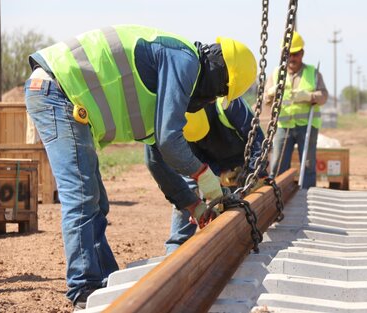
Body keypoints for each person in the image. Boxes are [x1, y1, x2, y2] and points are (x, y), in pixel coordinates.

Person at [24, 24, 256, 310]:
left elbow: (157, 159)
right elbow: (171, 142)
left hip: (62, 93)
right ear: (219, 71)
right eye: (219, 91)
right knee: (82, 196)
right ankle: (84, 289)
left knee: (96, 201)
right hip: (57, 89)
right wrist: (204, 175)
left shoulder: (165, 85)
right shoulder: (185, 61)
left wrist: (194, 205)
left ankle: (104, 282)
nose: (211, 101)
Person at [145, 96, 268, 254]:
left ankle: (234, 248)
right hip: (206, 165)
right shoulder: (180, 121)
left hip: (241, 162)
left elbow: (257, 138)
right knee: (189, 192)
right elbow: (193, 159)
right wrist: (216, 176)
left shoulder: (228, 103)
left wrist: (253, 173)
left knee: (237, 214)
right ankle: (176, 248)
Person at [264, 31, 328, 188]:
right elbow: (265, 99)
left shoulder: (313, 73)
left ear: (302, 53)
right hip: (283, 126)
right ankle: (277, 193)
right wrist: (271, 93)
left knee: (308, 163)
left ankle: (306, 192)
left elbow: (324, 96)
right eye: (289, 54)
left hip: (307, 125)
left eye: (296, 54)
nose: (292, 58)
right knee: (278, 164)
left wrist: (309, 96)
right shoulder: (276, 74)